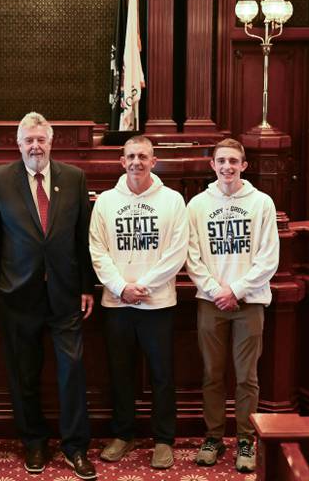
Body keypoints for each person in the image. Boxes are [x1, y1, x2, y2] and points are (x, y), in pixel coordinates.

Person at [0, 112, 97, 480]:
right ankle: (34, 440)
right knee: (24, 373)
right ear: (19, 145)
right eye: (28, 140)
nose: (35, 146)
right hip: (19, 294)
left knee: (72, 371)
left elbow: (83, 237)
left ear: (51, 143)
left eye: (41, 140)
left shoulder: (74, 178)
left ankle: (75, 446)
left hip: (66, 294)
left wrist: (86, 286)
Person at [89, 135, 188, 470]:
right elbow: (97, 250)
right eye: (130, 156)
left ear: (153, 161)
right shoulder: (105, 201)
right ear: (122, 161)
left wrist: (141, 286)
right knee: (120, 373)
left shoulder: (173, 200)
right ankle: (123, 434)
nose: (136, 162)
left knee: (162, 374)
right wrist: (120, 287)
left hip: (157, 303)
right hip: (117, 304)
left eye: (143, 156)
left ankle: (164, 439)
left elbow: (177, 252)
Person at [186, 138, 279, 473]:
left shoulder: (262, 203)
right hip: (211, 302)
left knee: (246, 377)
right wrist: (215, 291)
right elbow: (192, 256)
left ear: (244, 165)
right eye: (221, 161)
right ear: (212, 165)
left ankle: (244, 440)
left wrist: (236, 290)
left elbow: (269, 258)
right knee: (212, 374)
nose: (227, 167)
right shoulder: (197, 205)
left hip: (249, 301)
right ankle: (213, 437)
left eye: (233, 161)